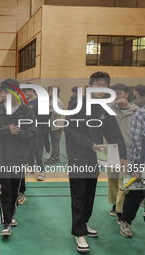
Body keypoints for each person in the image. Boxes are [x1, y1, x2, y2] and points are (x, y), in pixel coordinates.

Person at [64, 71, 127, 253]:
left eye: (104, 85)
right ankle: (78, 233)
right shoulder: (78, 104)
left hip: (97, 157)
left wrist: (121, 154)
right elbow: (69, 129)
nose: (101, 88)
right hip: (78, 156)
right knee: (78, 195)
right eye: (97, 84)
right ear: (90, 86)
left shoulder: (104, 108)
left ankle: (84, 223)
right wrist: (89, 144)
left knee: (90, 194)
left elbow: (114, 133)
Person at [0, 79, 37, 236]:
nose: (6, 94)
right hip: (2, 157)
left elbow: (33, 133)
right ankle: (6, 222)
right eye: (4, 91)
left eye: (10, 91)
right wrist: (6, 130)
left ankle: (11, 214)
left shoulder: (26, 111)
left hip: (19, 158)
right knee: (4, 191)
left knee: (15, 191)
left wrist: (20, 132)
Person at [108, 84, 138, 217]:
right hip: (110, 150)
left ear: (127, 94)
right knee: (112, 181)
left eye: (119, 93)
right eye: (113, 94)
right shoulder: (110, 109)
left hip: (129, 152)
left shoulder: (137, 112)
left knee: (125, 182)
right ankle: (115, 204)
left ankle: (121, 211)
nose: (116, 97)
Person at [119, 105, 145, 238]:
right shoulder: (141, 115)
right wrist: (138, 169)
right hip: (139, 162)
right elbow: (140, 144)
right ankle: (125, 221)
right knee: (134, 195)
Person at [21, 86, 47, 182]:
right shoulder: (28, 103)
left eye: (26, 91)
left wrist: (32, 118)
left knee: (37, 152)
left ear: (32, 91)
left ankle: (42, 172)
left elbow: (44, 116)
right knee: (29, 150)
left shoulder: (40, 102)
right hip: (29, 131)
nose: (25, 94)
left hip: (38, 131)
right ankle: (31, 168)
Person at [45, 86, 64, 165]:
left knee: (55, 143)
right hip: (52, 125)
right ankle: (55, 156)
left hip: (57, 126)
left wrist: (47, 109)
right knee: (54, 142)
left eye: (50, 91)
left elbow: (56, 112)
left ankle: (54, 158)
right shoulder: (51, 101)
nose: (49, 93)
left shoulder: (59, 102)